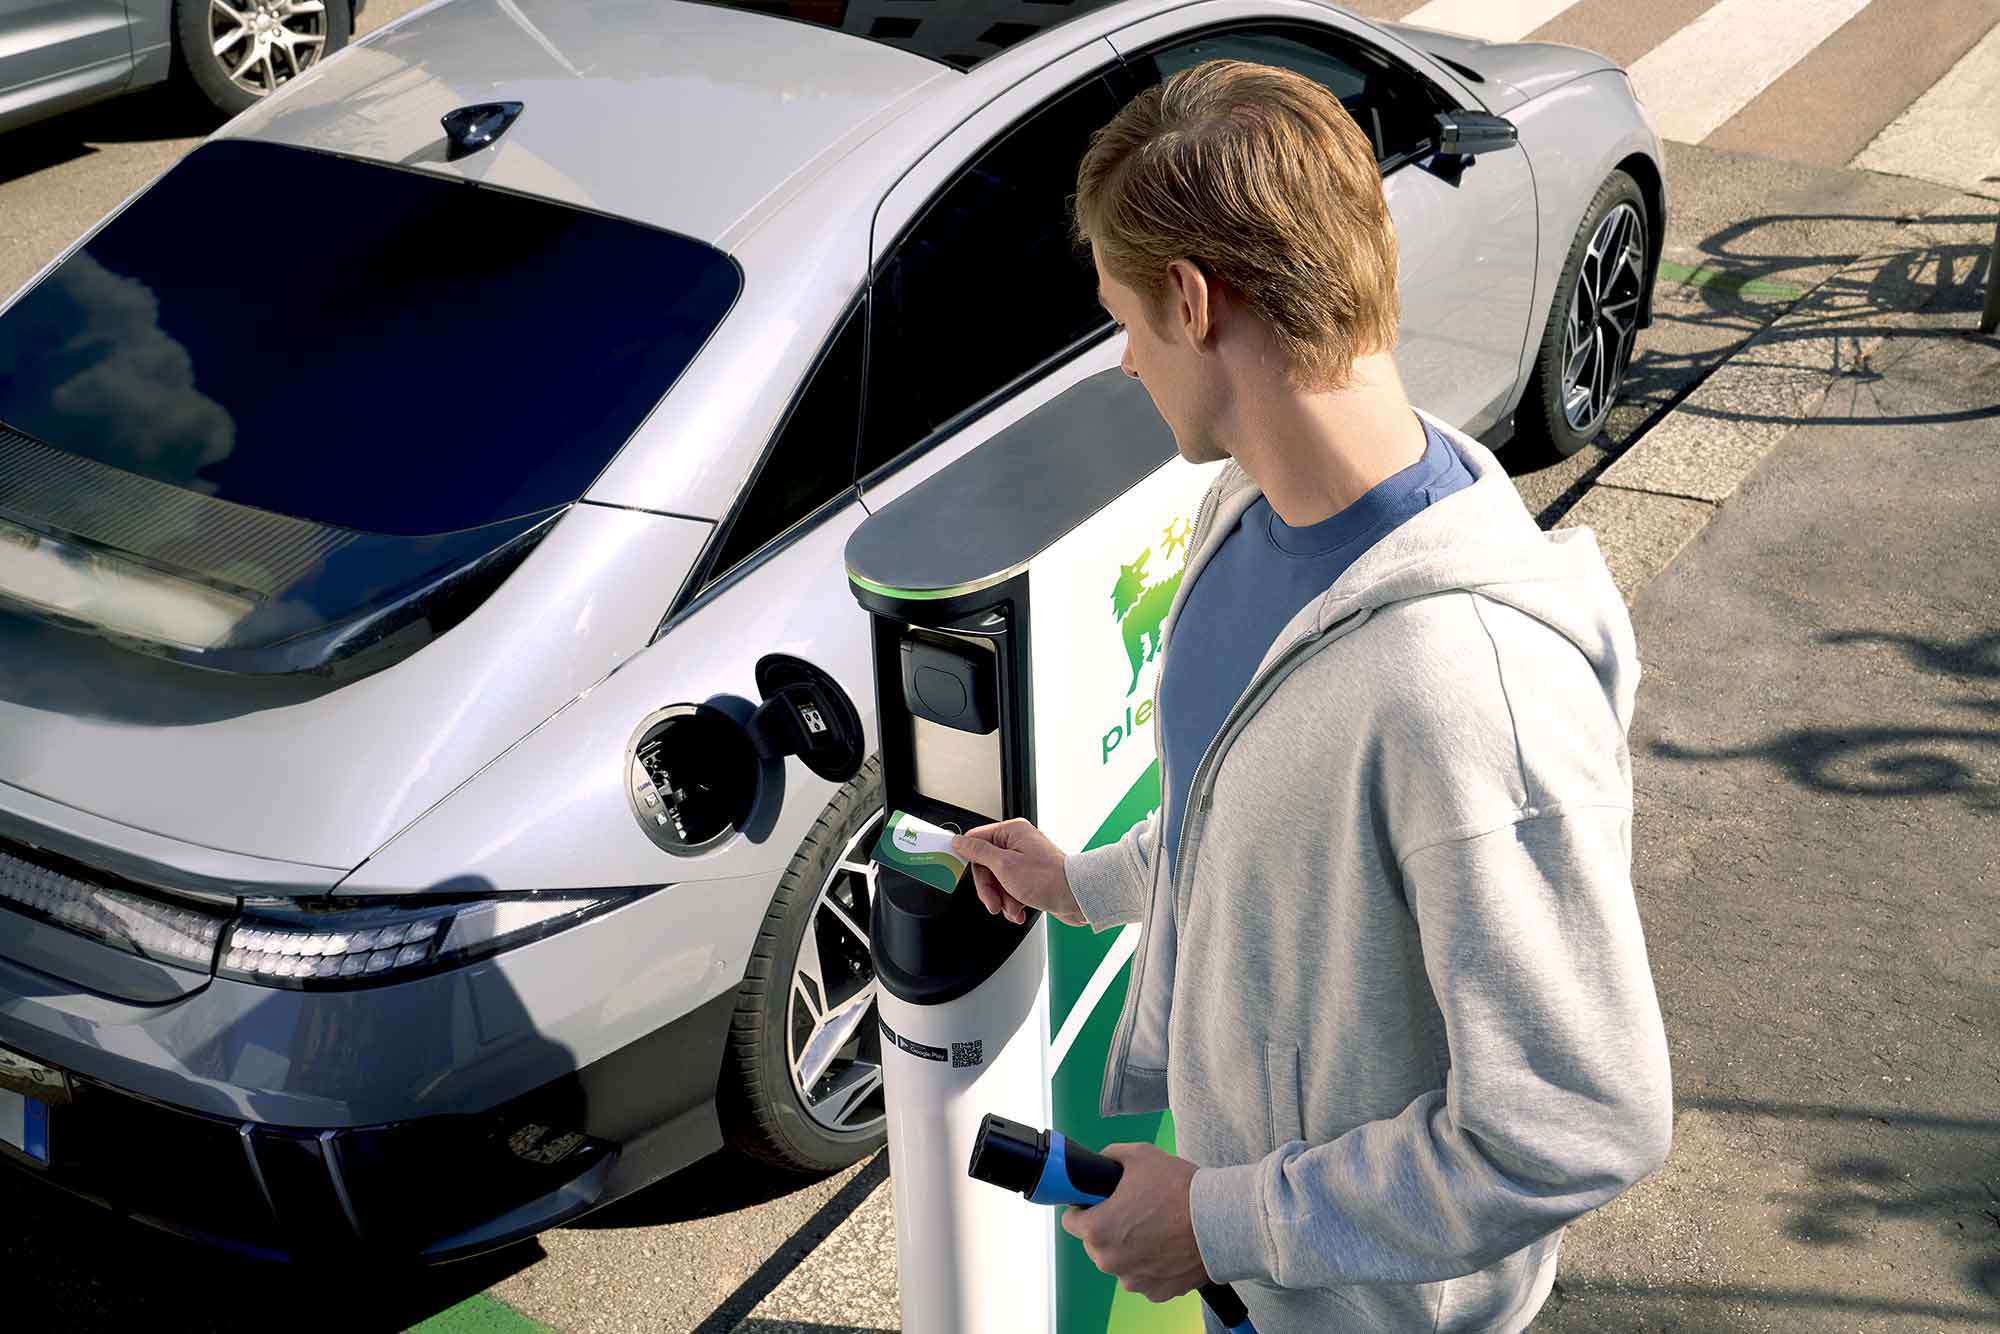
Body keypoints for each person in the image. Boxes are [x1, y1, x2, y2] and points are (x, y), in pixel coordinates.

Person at [949, 58, 1673, 1334]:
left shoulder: (1471, 694)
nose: (1123, 359)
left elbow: (1577, 1121)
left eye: (1122, 317)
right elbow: (1250, 821)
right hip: (1266, 1281)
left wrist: (1218, 1217)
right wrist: (1087, 880)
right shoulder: (1248, 513)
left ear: (1188, 298)